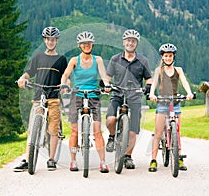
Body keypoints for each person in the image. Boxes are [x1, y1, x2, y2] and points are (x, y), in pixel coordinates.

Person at [14, 27, 68, 172]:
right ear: (45, 40)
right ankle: (27, 159)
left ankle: (51, 159)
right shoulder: (38, 57)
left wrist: (65, 85)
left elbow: (66, 77)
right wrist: (22, 79)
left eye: (53, 39)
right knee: (32, 129)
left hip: (54, 97)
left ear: (57, 41)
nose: (50, 42)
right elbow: (28, 73)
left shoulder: (61, 59)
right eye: (48, 39)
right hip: (38, 97)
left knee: (53, 130)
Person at [61, 31, 110, 173]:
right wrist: (64, 84)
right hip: (77, 94)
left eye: (89, 43)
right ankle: (73, 161)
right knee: (74, 131)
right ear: (79, 45)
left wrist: (106, 85)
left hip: (93, 95)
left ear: (92, 45)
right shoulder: (74, 60)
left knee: (97, 132)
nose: (86, 45)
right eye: (83, 43)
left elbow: (104, 75)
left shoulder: (98, 60)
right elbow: (65, 74)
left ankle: (102, 162)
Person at [105, 29, 153, 169]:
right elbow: (107, 77)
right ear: (123, 42)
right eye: (128, 40)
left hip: (134, 95)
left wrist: (148, 87)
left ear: (136, 43)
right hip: (118, 94)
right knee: (110, 119)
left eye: (133, 41)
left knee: (133, 130)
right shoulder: (115, 59)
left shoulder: (143, 60)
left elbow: (149, 78)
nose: (130, 43)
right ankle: (112, 137)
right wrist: (107, 85)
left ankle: (128, 157)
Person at [148, 43, 193, 172]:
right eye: (166, 56)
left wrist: (189, 93)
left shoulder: (178, 70)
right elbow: (154, 83)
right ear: (162, 57)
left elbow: (184, 82)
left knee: (177, 132)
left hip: (175, 102)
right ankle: (153, 160)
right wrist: (152, 94)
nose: (168, 58)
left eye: (170, 56)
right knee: (157, 133)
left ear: (173, 57)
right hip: (162, 103)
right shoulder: (159, 71)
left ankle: (179, 157)